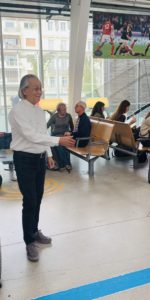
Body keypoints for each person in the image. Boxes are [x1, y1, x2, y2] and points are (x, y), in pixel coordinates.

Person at [8, 74, 75, 262]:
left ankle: (34, 231)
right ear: (24, 91)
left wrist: (50, 154)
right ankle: (29, 241)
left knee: (37, 198)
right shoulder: (17, 111)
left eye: (40, 88)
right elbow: (30, 136)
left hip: (38, 159)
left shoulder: (38, 111)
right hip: (24, 159)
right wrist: (58, 141)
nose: (39, 91)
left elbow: (41, 134)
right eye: (35, 88)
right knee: (29, 200)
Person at [47, 102, 74, 172]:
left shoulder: (68, 116)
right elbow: (46, 126)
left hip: (65, 136)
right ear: (58, 110)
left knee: (64, 144)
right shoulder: (54, 116)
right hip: (55, 135)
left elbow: (72, 128)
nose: (64, 111)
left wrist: (70, 132)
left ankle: (63, 165)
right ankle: (66, 164)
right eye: (62, 110)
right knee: (59, 144)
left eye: (65, 109)